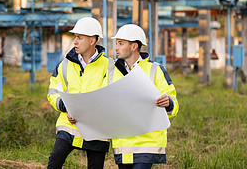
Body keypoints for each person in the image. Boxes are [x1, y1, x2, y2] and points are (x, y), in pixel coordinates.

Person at [47, 17, 115, 169]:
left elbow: (109, 96)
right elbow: (53, 91)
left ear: (92, 40)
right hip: (69, 124)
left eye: (79, 37)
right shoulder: (64, 64)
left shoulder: (110, 66)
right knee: (54, 162)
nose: (75, 41)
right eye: (74, 37)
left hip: (97, 127)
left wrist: (84, 112)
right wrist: (66, 107)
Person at [110, 24, 179, 169]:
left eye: (120, 43)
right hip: (122, 143)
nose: (116, 48)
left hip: (148, 142)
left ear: (134, 46)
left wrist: (169, 103)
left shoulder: (155, 70)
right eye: (116, 43)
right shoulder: (112, 72)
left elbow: (173, 103)